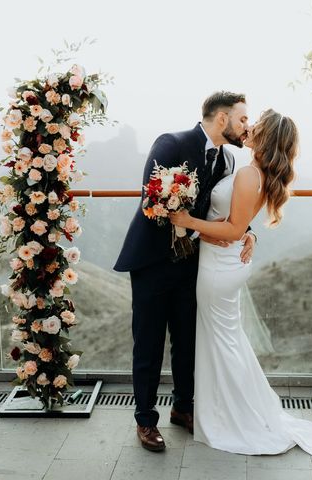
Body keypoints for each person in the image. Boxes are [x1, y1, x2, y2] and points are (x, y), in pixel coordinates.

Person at [170, 109, 312, 470]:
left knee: (222, 344)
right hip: (223, 265)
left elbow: (231, 229)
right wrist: (245, 233)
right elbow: (239, 225)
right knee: (226, 342)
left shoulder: (249, 174)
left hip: (218, 268)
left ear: (267, 138)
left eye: (256, 126)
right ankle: (228, 410)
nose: (249, 128)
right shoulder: (255, 174)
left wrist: (186, 221)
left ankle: (233, 417)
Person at [113, 91, 257, 452]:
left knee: (186, 340)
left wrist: (246, 231)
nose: (246, 126)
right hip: (151, 262)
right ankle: (145, 420)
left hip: (192, 262)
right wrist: (181, 217)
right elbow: (152, 201)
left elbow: (218, 211)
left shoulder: (226, 160)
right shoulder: (172, 143)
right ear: (221, 119)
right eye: (242, 119)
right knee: (148, 343)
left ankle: (183, 407)